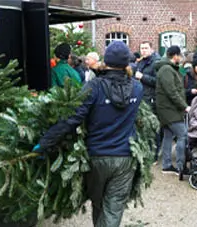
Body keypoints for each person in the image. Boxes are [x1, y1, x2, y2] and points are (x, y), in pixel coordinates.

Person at [38, 41, 144, 227]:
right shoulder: (137, 88)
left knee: (99, 203)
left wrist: (46, 142)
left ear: (106, 60)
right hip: (125, 157)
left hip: (97, 157)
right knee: (113, 208)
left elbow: (72, 118)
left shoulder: (94, 86)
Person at [153, 46, 187, 175]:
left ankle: (167, 165)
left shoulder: (167, 68)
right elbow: (172, 92)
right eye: (180, 56)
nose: (181, 58)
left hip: (167, 109)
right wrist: (184, 106)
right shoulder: (167, 69)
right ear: (175, 56)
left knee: (168, 135)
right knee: (182, 135)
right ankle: (180, 166)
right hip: (169, 109)